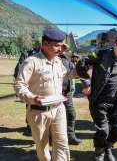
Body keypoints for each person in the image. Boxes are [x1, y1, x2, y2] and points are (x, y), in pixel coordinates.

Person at [15, 29, 71, 161]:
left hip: (58, 109)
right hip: (39, 112)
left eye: (61, 45)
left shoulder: (58, 61)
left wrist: (82, 71)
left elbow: (67, 75)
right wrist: (32, 98)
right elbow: (19, 85)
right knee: (43, 149)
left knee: (62, 145)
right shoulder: (32, 61)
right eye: (57, 45)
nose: (60, 49)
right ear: (45, 44)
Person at [59, 44, 82, 145]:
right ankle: (51, 138)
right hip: (54, 93)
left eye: (65, 48)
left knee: (71, 114)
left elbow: (75, 72)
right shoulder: (50, 59)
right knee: (55, 117)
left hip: (66, 92)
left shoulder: (66, 60)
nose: (64, 50)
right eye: (62, 47)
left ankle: (70, 136)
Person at [14, 48, 40, 136]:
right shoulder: (28, 53)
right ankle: (29, 127)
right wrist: (21, 88)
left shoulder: (49, 53)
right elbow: (19, 68)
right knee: (30, 106)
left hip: (42, 86)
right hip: (29, 87)